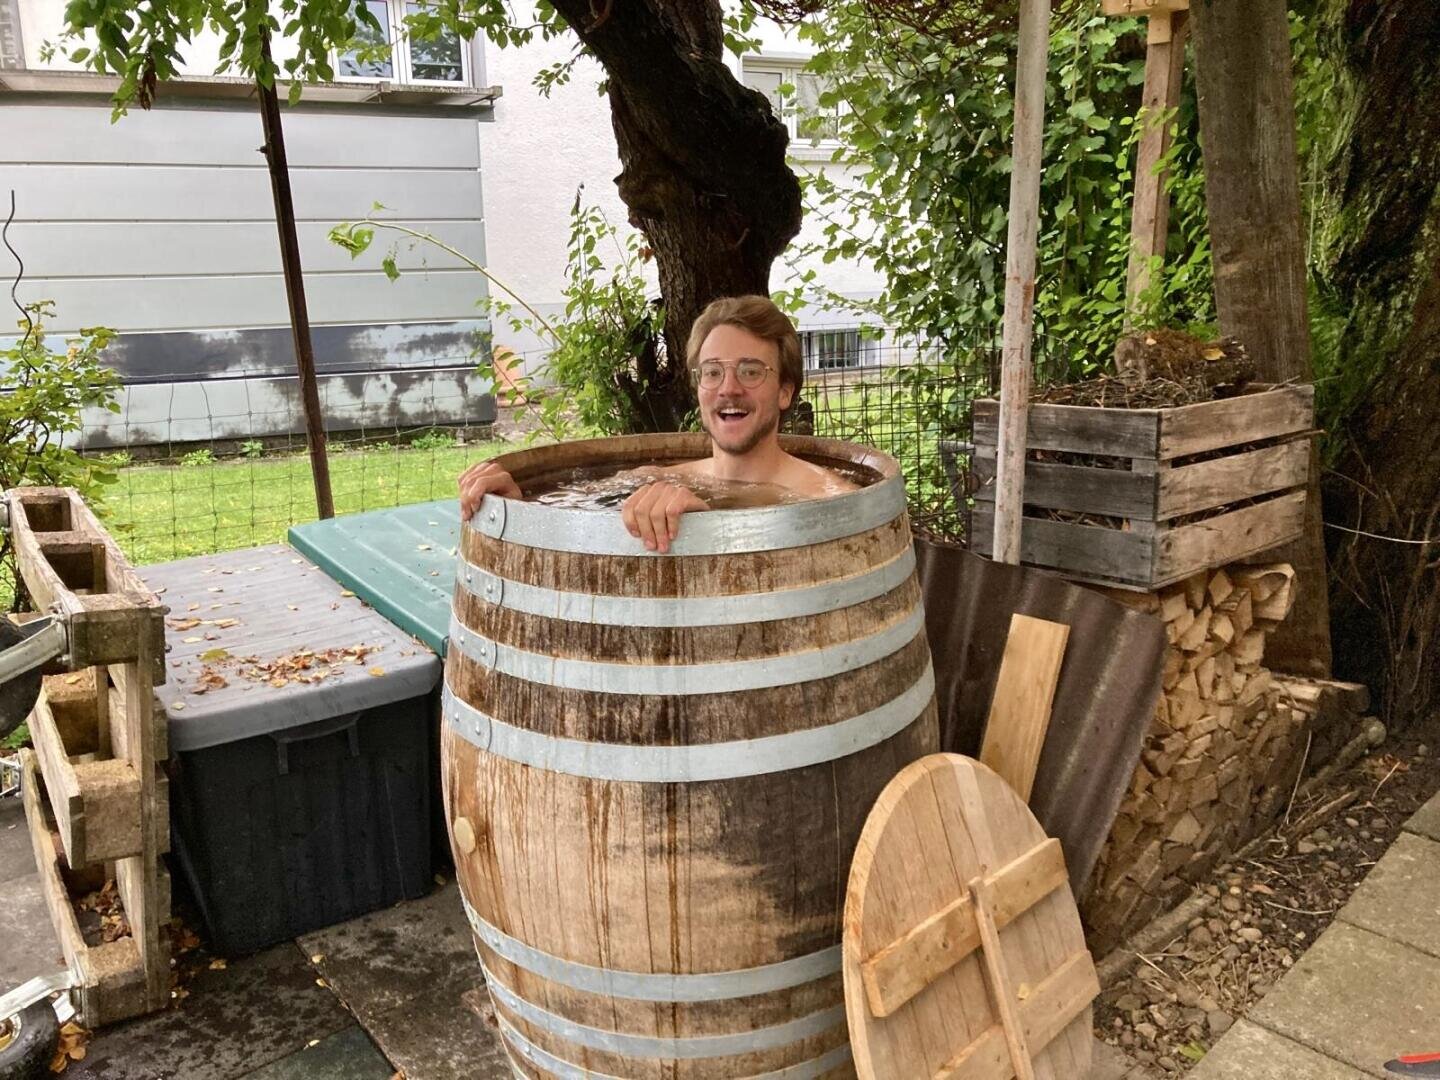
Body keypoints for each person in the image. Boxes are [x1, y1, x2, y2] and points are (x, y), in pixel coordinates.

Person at [457, 294, 857, 553]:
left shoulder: (832, 501)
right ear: (699, 387)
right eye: (712, 372)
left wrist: (708, 527)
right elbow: (568, 515)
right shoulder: (656, 478)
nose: (728, 388)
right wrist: (514, 504)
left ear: (785, 391)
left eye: (750, 371)